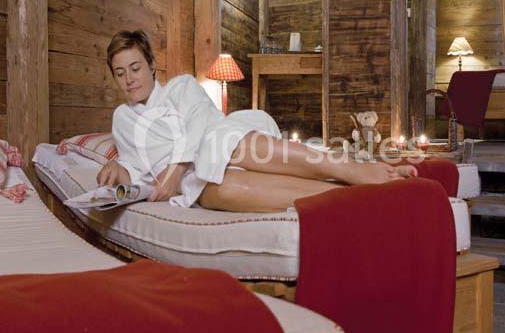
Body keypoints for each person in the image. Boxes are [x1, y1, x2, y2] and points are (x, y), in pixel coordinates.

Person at [97, 30, 414, 212]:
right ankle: (349, 197)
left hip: (220, 143)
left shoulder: (180, 86)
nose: (129, 79)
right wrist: (117, 168)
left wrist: (172, 172)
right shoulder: (122, 119)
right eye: (120, 73)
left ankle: (352, 169)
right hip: (193, 179)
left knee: (225, 143)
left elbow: (199, 123)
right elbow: (135, 164)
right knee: (222, 191)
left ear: (152, 65)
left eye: (135, 68)